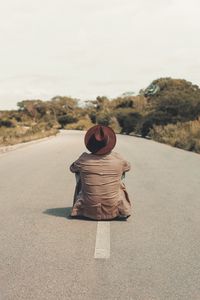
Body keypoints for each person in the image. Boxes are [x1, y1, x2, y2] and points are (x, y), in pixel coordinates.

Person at [70, 125, 131, 220]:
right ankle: (120, 206)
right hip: (112, 209)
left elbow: (72, 168)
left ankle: (81, 204)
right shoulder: (118, 159)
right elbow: (128, 167)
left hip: (89, 209)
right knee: (121, 175)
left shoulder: (83, 159)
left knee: (79, 173)